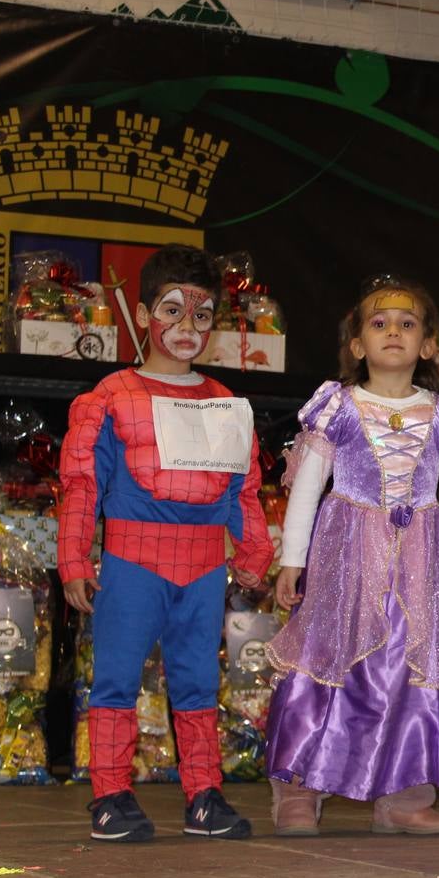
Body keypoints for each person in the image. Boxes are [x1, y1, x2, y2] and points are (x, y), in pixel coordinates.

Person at [264, 275, 439, 836]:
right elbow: (306, 486)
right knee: (327, 659)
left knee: (408, 666)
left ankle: (403, 796)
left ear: (428, 347)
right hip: (346, 557)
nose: (392, 330)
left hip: (419, 560)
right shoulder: (338, 407)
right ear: (357, 346)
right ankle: (299, 789)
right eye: (378, 323)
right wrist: (292, 559)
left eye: (407, 323)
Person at [59, 243, 274, 842]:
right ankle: (110, 795)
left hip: (205, 566)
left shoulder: (228, 405)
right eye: (172, 309)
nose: (186, 326)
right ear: (147, 312)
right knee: (117, 680)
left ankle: (204, 794)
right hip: (131, 560)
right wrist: (74, 558)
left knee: (199, 682)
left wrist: (254, 551)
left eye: (201, 314)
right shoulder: (109, 398)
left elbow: (244, 490)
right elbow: (80, 484)